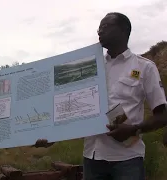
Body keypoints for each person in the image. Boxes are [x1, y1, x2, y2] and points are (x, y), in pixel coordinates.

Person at [35, 12, 167, 180]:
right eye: (99, 27)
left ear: (124, 30)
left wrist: (134, 129)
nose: (99, 31)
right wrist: (55, 135)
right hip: (92, 158)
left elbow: (162, 116)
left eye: (105, 27)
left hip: (127, 160)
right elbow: (74, 110)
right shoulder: (90, 68)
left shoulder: (145, 67)